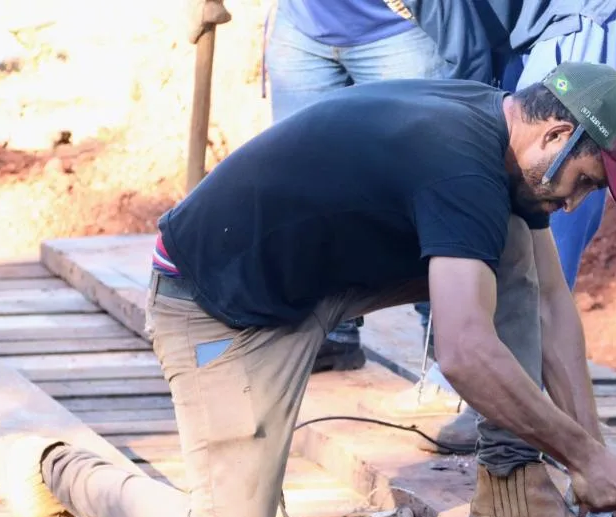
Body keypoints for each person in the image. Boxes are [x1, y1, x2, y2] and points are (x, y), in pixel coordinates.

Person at [0, 62, 616, 517]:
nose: (577, 204)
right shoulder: (460, 165)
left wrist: (594, 467)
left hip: (316, 280)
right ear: (555, 135)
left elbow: (548, 305)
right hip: (218, 305)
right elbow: (462, 352)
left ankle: (514, 487)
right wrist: (584, 457)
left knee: (518, 247)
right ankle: (45, 465)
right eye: (587, 181)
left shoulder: (506, 144)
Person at [381, 0, 616, 453]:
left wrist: (589, 453)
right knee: (522, 165)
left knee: (544, 185)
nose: (575, 205)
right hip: (521, 27)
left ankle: (511, 410)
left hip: (574, 14)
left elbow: (462, 48)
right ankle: (494, 395)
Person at [188, 0, 461, 373]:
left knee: (425, 191)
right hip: (303, 27)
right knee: (304, 192)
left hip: (400, 27)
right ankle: (332, 334)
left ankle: (450, 351)